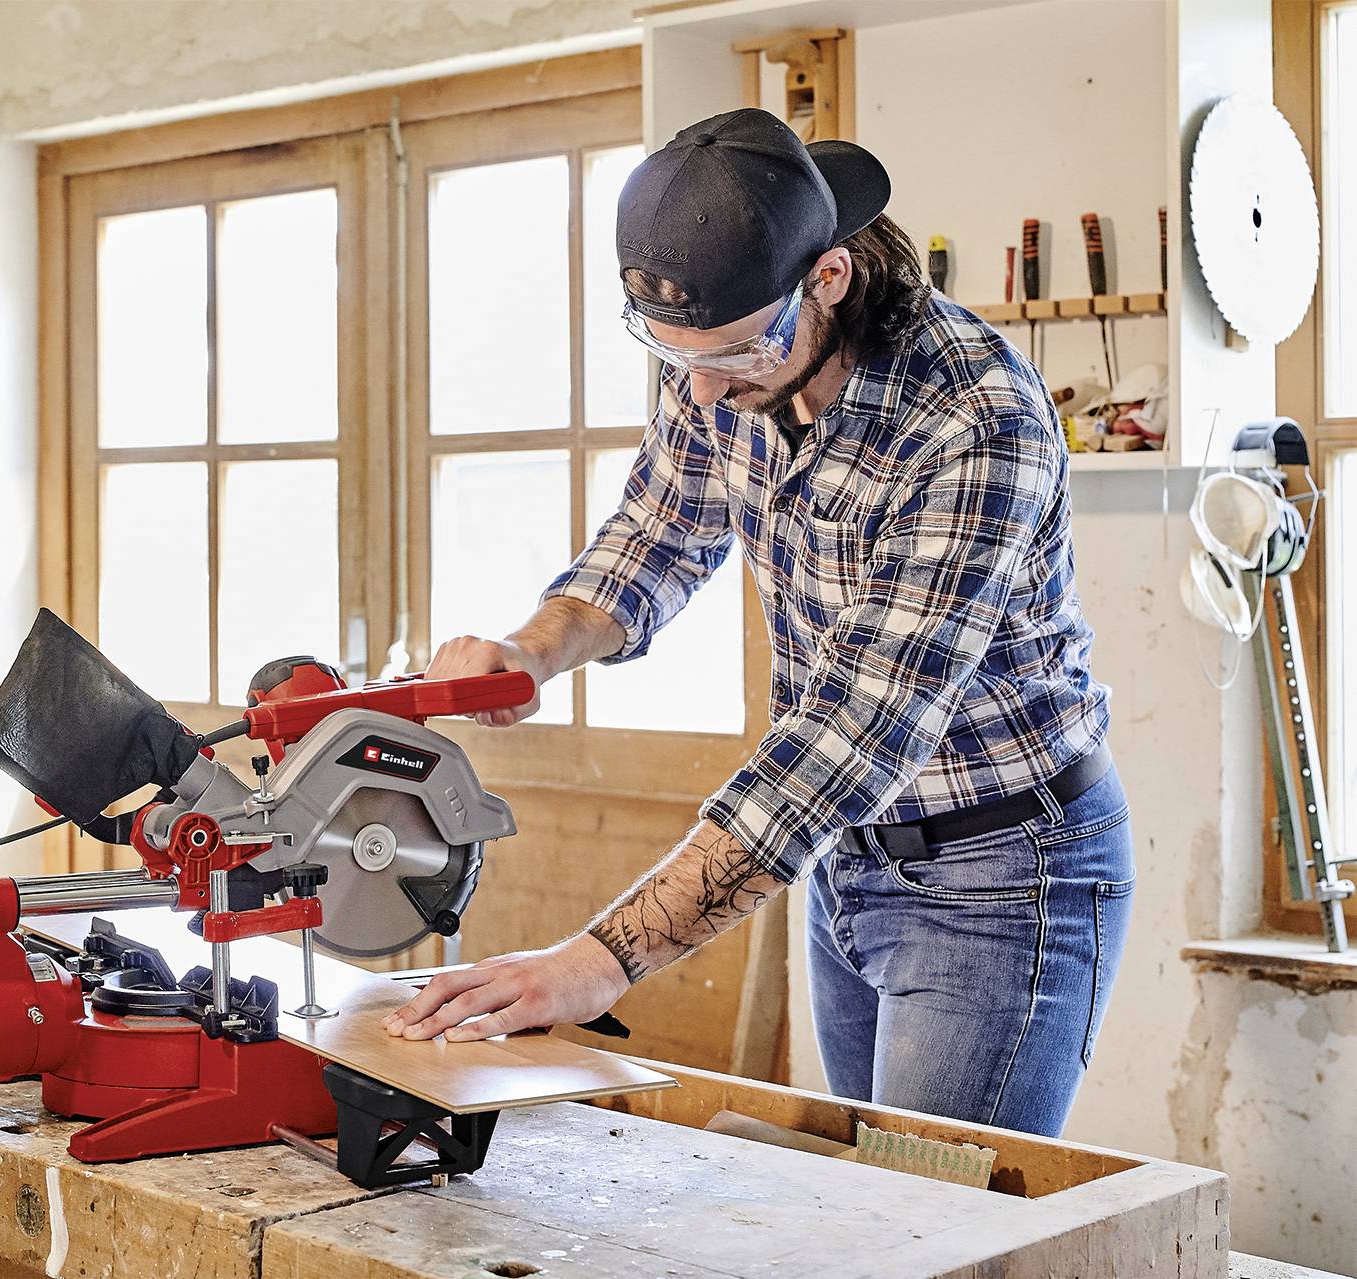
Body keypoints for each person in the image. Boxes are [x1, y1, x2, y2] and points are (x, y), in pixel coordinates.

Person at [381, 108, 1134, 1138]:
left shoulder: (972, 422)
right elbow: (656, 531)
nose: (696, 389)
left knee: (935, 1220)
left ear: (824, 279)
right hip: (850, 857)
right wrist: (531, 651)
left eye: (729, 353)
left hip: (1001, 874)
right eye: (667, 353)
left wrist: (590, 966)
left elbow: (843, 741)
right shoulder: (720, 341)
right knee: (862, 1195)